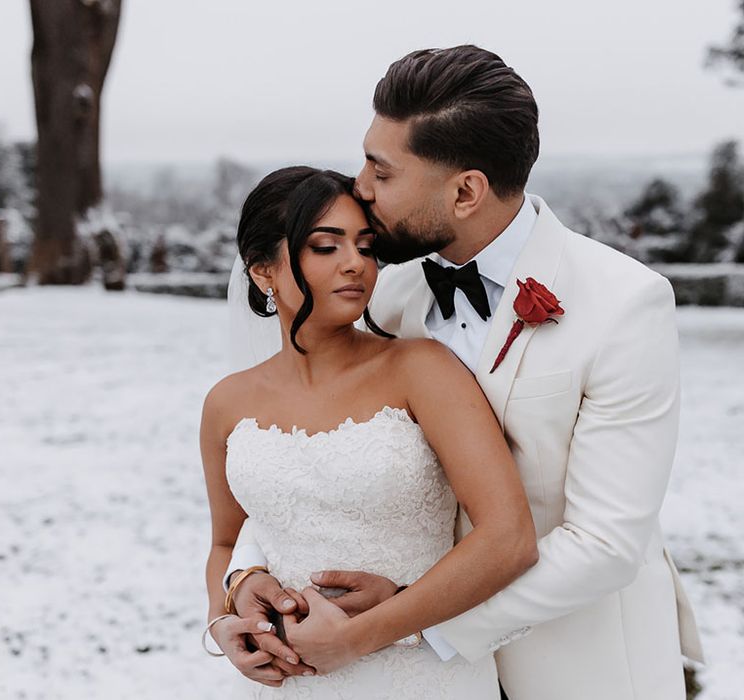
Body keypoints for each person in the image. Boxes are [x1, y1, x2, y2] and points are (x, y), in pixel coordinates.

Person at [223, 46, 704, 700]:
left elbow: (605, 544)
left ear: (466, 190)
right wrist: (242, 577)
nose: (359, 187)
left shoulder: (624, 304)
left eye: (382, 172)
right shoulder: (387, 294)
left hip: (577, 664)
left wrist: (409, 623)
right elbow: (309, 453)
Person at [201, 165, 539, 698]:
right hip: (289, 685)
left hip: (421, 676)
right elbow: (226, 541)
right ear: (263, 270)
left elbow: (509, 539)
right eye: (325, 247)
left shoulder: (421, 370)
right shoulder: (227, 403)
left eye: (365, 245)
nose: (356, 263)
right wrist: (230, 607)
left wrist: (355, 639)